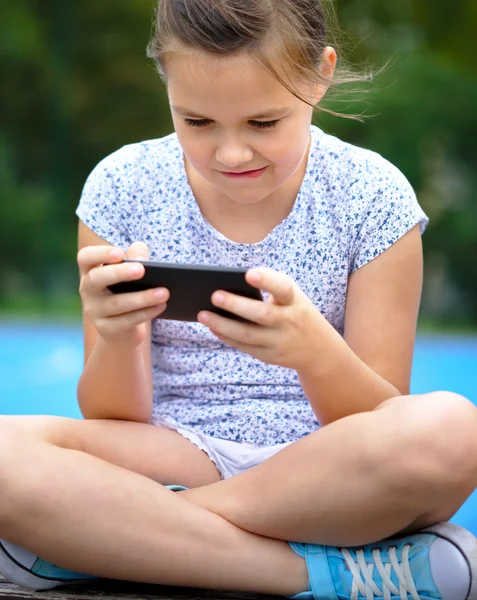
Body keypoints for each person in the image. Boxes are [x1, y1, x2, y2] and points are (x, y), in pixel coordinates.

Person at [1, 0, 477, 597]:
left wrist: (312, 350)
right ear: (165, 82)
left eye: (263, 123)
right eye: (197, 122)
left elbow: (382, 419)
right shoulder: (121, 186)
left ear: (320, 74)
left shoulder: (372, 195)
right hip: (170, 453)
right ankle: (307, 573)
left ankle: (108, 537)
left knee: (454, 430)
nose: (231, 154)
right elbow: (112, 417)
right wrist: (119, 337)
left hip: (327, 471)